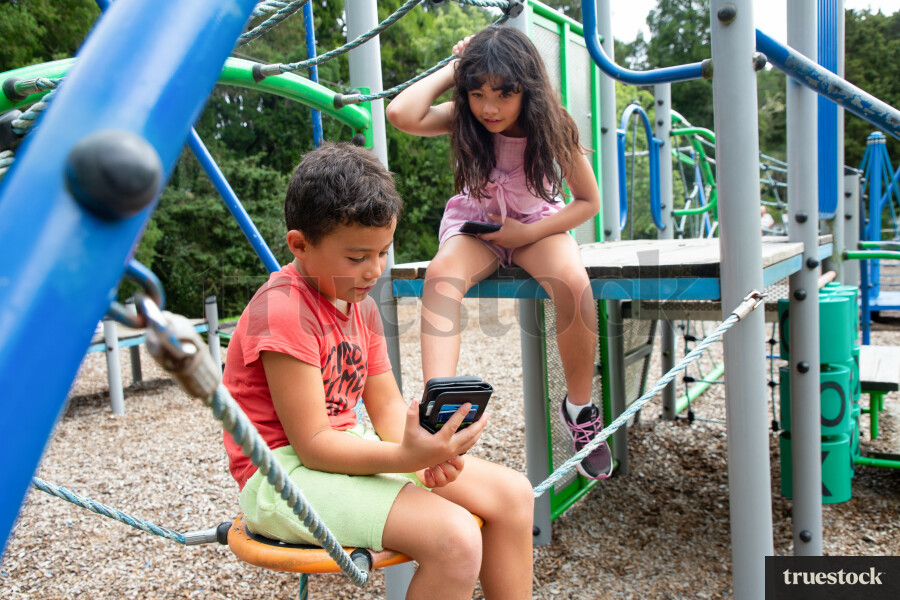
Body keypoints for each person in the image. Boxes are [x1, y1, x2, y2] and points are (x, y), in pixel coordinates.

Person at [222, 142, 534, 600]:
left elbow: (387, 409)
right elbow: (310, 446)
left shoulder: (359, 306)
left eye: (383, 251)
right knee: (455, 538)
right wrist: (406, 459)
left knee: (513, 494)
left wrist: (429, 448)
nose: (374, 270)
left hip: (340, 451)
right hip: (279, 477)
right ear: (300, 245)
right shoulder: (283, 310)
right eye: (357, 257)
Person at [386, 26, 612, 479]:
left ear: (526, 88)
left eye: (503, 94)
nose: (489, 108)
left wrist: (525, 236)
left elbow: (588, 202)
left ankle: (581, 410)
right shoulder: (466, 117)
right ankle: (439, 411)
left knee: (573, 282)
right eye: (477, 93)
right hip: (477, 226)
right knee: (441, 275)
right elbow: (401, 113)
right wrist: (455, 72)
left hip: (535, 224)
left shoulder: (552, 123)